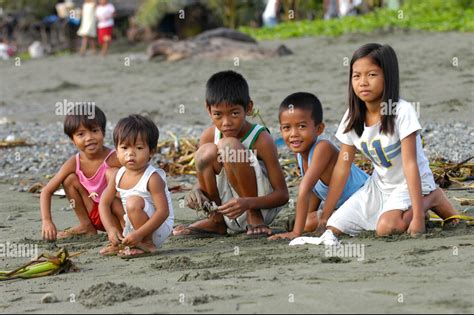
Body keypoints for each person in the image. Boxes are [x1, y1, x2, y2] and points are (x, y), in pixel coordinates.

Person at [317, 43, 459, 239]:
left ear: (388, 76)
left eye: (372, 75)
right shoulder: (352, 116)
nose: (363, 82)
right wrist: (325, 215)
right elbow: (342, 168)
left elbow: (410, 165)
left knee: (386, 228)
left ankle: (433, 198)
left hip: (413, 184)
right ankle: (398, 210)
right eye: (356, 76)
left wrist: (418, 216)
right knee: (334, 227)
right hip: (379, 186)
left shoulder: (402, 111)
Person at [173, 70, 289, 236]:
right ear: (208, 109)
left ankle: (253, 217)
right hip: (229, 211)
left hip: (260, 208)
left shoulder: (261, 138)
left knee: (229, 146)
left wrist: (248, 204)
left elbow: (283, 195)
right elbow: (207, 177)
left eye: (234, 113)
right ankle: (216, 221)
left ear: (248, 108)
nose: (226, 123)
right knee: (205, 151)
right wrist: (196, 190)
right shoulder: (208, 135)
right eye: (218, 114)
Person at [269, 92, 368, 240]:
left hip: (365, 199)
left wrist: (296, 233)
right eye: (286, 128)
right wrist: (306, 217)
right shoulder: (300, 154)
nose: (293, 134)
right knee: (305, 221)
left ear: (319, 129)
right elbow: (315, 191)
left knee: (308, 223)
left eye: (302, 126)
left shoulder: (323, 148)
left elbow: (305, 189)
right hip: (343, 205)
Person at [41, 104, 123, 241]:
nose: (89, 137)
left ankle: (127, 229)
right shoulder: (74, 162)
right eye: (81, 134)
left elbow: (143, 179)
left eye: (94, 131)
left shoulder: (116, 158)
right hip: (95, 214)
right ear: (72, 140)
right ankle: (86, 226)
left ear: (103, 132)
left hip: (117, 214)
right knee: (69, 180)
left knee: (113, 174)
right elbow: (46, 191)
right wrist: (47, 221)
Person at [99, 115, 174, 257]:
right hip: (134, 222)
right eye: (124, 147)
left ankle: (146, 243)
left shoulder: (152, 178)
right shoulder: (118, 174)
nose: (130, 153)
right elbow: (103, 203)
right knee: (113, 201)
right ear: (116, 150)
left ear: (151, 151)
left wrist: (139, 234)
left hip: (157, 228)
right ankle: (120, 241)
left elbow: (163, 212)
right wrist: (111, 229)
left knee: (133, 201)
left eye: (139, 148)